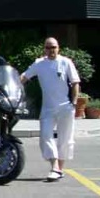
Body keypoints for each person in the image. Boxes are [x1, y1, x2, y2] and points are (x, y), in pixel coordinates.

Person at [21, 37, 80, 182]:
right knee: (45, 137)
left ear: (58, 48)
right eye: (48, 47)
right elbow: (24, 77)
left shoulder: (66, 62)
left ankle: (58, 169)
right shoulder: (39, 64)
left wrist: (74, 102)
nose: (51, 50)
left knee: (65, 139)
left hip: (65, 107)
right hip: (48, 108)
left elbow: (75, 82)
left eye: (53, 47)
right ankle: (54, 167)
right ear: (44, 49)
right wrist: (11, 84)